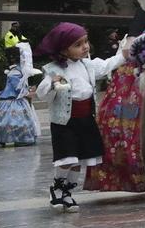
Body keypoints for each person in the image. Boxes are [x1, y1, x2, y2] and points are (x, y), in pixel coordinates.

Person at [34, 23, 131, 210]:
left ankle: (68, 192)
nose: (85, 47)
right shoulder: (54, 70)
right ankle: (58, 186)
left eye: (85, 42)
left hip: (86, 119)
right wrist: (52, 85)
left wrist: (125, 54)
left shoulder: (88, 65)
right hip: (65, 121)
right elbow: (42, 94)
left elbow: (106, 65)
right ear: (63, 49)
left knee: (79, 161)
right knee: (67, 158)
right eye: (78, 44)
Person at [0, 31, 39, 148]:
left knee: (6, 119)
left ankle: (9, 137)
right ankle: (14, 137)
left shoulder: (17, 70)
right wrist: (28, 92)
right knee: (13, 119)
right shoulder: (16, 72)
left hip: (11, 99)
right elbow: (17, 87)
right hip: (13, 99)